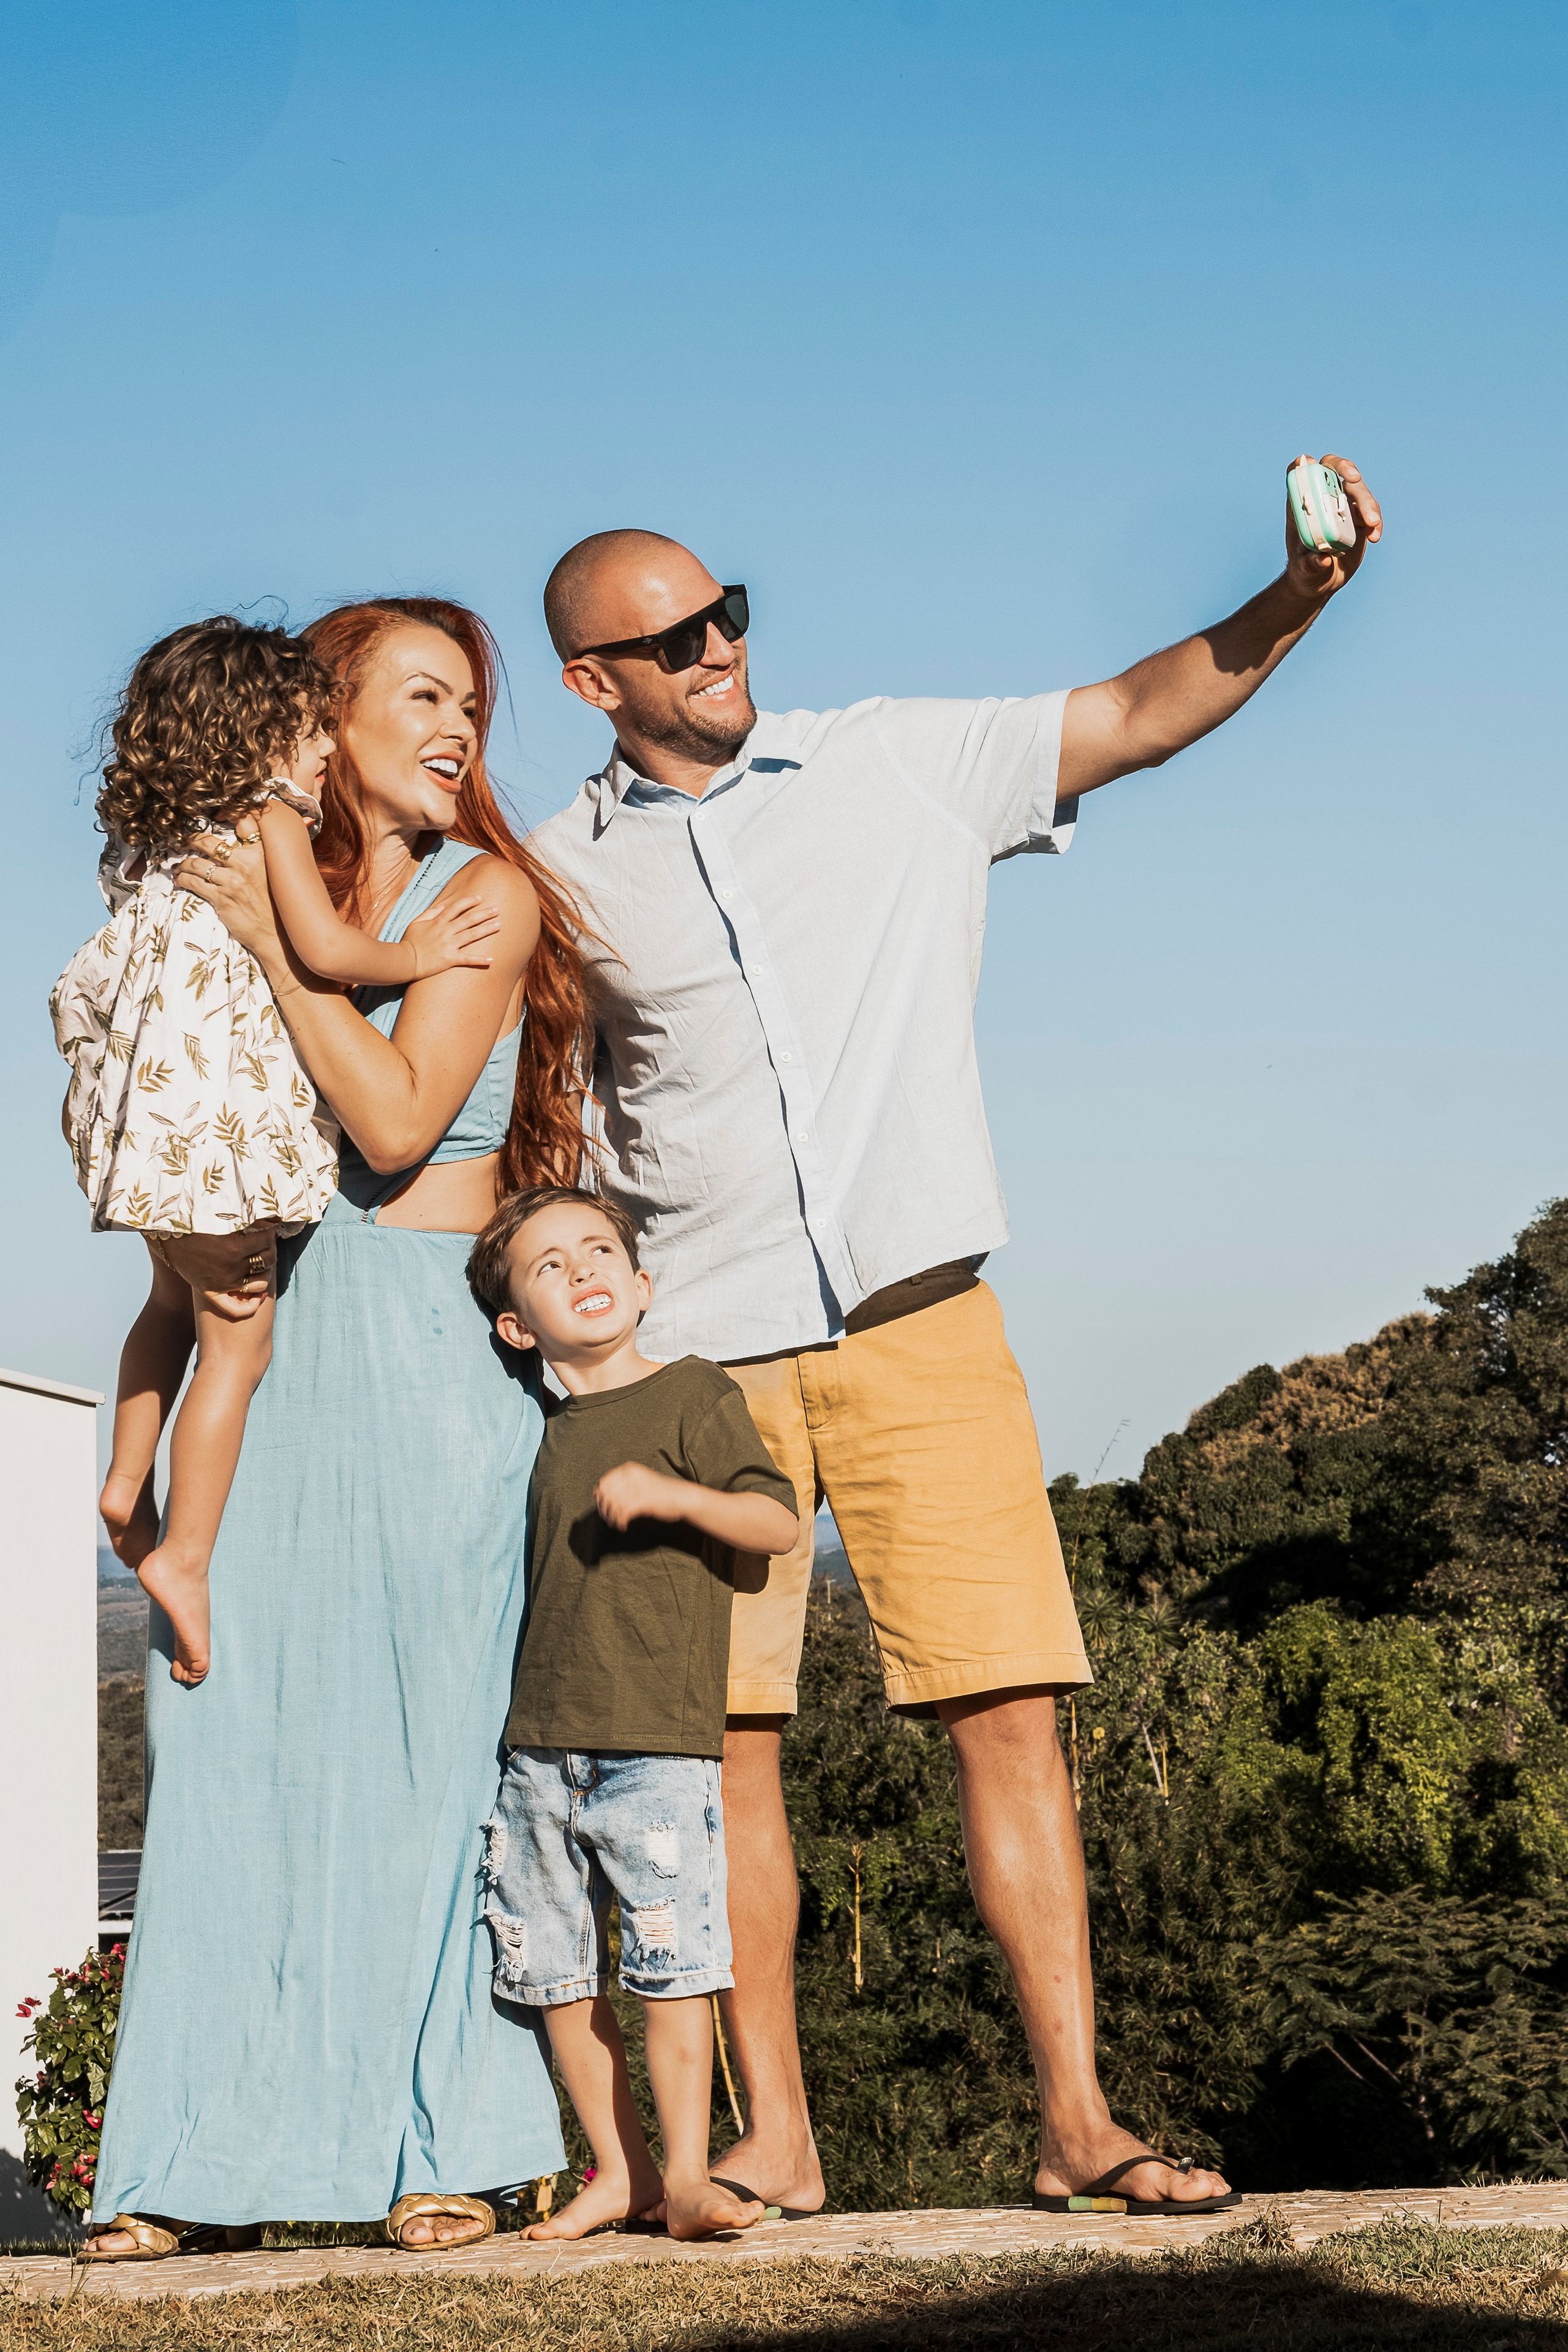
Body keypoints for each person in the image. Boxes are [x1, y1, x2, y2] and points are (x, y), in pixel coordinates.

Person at [527, 455, 1383, 2215]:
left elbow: (1144, 710)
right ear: (590, 681)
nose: (717, 644)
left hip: (925, 1324)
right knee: (723, 1761)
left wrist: (1298, 594)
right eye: (670, 633)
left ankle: (1078, 2120)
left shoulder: (889, 761)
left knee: (1012, 1721)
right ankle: (782, 2136)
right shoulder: (554, 877)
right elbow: (552, 1133)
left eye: (728, 608)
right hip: (703, 1366)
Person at [82, 597, 590, 2263]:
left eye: (478, 703)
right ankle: (179, 2161)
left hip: (431, 1356)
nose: (463, 729)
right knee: (229, 1756)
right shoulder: (262, 875)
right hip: (287, 1332)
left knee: (436, 1762)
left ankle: (444, 2147)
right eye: (426, 694)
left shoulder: (481, 897)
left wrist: (288, 956)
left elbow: (387, 1115)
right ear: (327, 717)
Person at [51, 616, 502, 1687]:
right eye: (308, 731)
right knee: (236, 1347)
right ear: (269, 738)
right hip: (222, 1141)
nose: (320, 754)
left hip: (147, 1133)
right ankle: (187, 1556)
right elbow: (320, 946)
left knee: (169, 1308)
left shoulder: (159, 839)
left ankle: (125, 1477)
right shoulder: (270, 817)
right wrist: (420, 952)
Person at [464, 1185, 799, 2240]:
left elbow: (776, 1521)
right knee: (553, 1969)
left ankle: (694, 2176)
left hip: (657, 1748)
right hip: (538, 1754)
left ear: (644, 1283)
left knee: (672, 1969)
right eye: (549, 1267)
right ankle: (622, 2172)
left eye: (599, 1250)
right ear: (518, 1328)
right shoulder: (533, 1427)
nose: (583, 1272)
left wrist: (676, 1498)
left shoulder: (694, 1395)